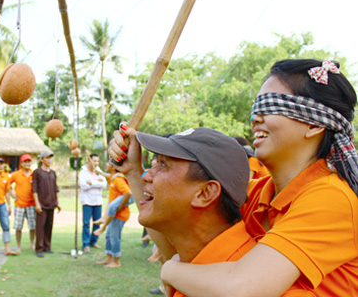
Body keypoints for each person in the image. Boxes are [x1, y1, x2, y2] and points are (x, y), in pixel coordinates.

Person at [128, 59, 358, 296]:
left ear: (314, 125)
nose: (256, 118)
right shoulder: (257, 193)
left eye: (270, 106)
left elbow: (243, 289)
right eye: (256, 107)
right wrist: (133, 172)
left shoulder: (332, 198)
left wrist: (170, 272)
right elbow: (189, 249)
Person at [108, 127, 314, 296]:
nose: (146, 175)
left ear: (206, 193)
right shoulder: (195, 267)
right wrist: (132, 171)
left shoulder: (264, 289)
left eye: (163, 164)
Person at [95, 163, 131, 268]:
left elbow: (128, 193)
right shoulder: (113, 177)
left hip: (120, 215)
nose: (106, 164)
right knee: (108, 235)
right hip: (113, 215)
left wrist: (120, 206)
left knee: (114, 237)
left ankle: (116, 261)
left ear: (114, 167)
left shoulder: (118, 180)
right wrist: (101, 173)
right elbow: (108, 175)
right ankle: (109, 257)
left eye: (108, 164)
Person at [32, 151, 61, 258]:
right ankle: (39, 248)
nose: (49, 160)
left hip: (51, 203)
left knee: (49, 225)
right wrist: (37, 204)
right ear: (41, 160)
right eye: (47, 158)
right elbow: (34, 189)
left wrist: (57, 202)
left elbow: (55, 188)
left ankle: (47, 246)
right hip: (41, 204)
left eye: (50, 158)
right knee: (40, 227)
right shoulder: (37, 172)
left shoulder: (53, 173)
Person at [7, 154, 37, 253]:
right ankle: (18, 245)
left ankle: (32, 243)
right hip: (19, 204)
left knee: (32, 226)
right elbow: (7, 185)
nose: (27, 163)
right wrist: (12, 194)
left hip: (31, 204)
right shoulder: (16, 174)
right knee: (18, 226)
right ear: (21, 163)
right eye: (25, 162)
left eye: (29, 161)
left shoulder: (34, 174)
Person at [79, 154, 108, 253]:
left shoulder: (99, 172)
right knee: (86, 223)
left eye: (97, 161)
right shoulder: (83, 173)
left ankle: (93, 241)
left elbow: (104, 185)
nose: (96, 163)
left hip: (97, 201)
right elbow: (84, 186)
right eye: (94, 161)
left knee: (97, 222)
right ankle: (85, 243)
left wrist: (92, 182)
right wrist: (97, 182)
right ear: (89, 161)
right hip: (87, 201)